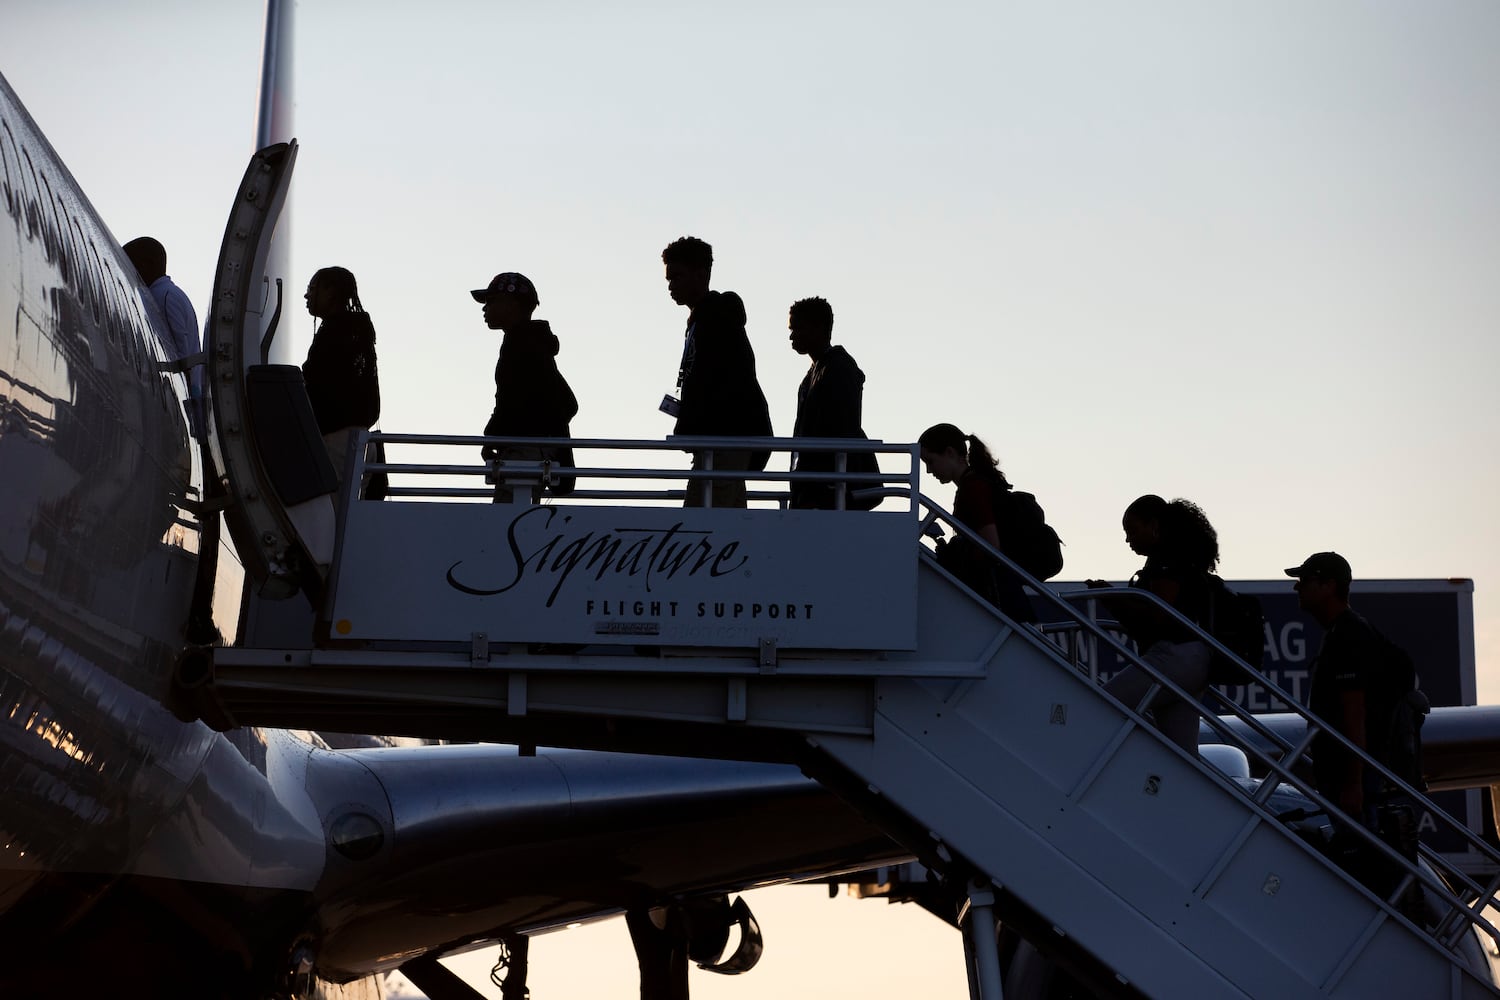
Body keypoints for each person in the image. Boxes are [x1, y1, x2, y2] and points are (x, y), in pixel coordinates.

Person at [1286, 551, 1425, 909]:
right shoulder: (1345, 632)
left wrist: (1352, 783)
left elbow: (1354, 714)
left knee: (1364, 866)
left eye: (1305, 579)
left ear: (1329, 585)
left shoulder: (1348, 636)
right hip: (1355, 775)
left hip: (1356, 779)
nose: (1297, 587)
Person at [1087, 495, 1218, 753]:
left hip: (1173, 657)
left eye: (1133, 531)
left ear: (1154, 525)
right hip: (1194, 661)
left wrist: (1113, 599)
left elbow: (1159, 614)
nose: (1128, 540)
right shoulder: (1185, 558)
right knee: (1181, 755)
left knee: (1099, 707)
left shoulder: (1166, 560)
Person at [661, 236, 772, 508]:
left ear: (701, 274)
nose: (671, 285)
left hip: (723, 439)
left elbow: (712, 383)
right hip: (721, 440)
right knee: (722, 515)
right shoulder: (708, 318)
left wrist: (688, 425)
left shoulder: (714, 319)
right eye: (669, 279)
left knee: (707, 520)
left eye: (676, 276)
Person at [471, 271, 578, 502]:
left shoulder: (521, 344)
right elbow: (567, 402)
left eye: (491, 301)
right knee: (515, 523)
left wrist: (495, 435)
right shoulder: (530, 342)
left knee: (505, 525)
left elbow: (512, 400)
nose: (484, 308)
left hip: (523, 452)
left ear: (512, 304)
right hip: (527, 451)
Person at [917, 424, 1036, 624]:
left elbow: (991, 544)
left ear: (950, 453)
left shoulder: (973, 489)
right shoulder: (979, 483)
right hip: (1005, 592)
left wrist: (958, 559)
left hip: (997, 595)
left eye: (930, 461)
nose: (929, 470)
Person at [787, 297, 876, 510]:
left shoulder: (838, 368)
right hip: (816, 484)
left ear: (818, 328)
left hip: (824, 487)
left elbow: (845, 428)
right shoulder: (818, 371)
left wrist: (829, 483)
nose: (791, 335)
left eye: (797, 327)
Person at [302, 266, 381, 482]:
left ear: (331, 292)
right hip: (361, 441)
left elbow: (315, 381)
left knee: (334, 510)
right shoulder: (358, 331)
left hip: (339, 442)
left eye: (312, 288)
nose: (307, 294)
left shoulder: (334, 331)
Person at [123, 236, 204, 436]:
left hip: (186, 404)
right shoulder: (171, 293)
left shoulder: (164, 297)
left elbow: (180, 356)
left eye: (131, 264)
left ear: (146, 264)